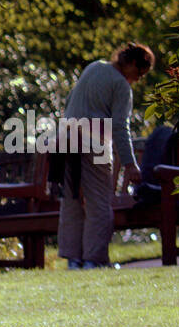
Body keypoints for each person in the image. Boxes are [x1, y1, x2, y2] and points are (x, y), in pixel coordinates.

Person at [55, 42, 153, 269]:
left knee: (71, 200)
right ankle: (94, 259)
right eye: (139, 72)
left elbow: (70, 102)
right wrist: (130, 164)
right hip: (94, 141)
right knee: (99, 200)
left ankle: (73, 260)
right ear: (129, 63)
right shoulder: (121, 85)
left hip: (67, 136)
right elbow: (120, 126)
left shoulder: (93, 67)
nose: (138, 79)